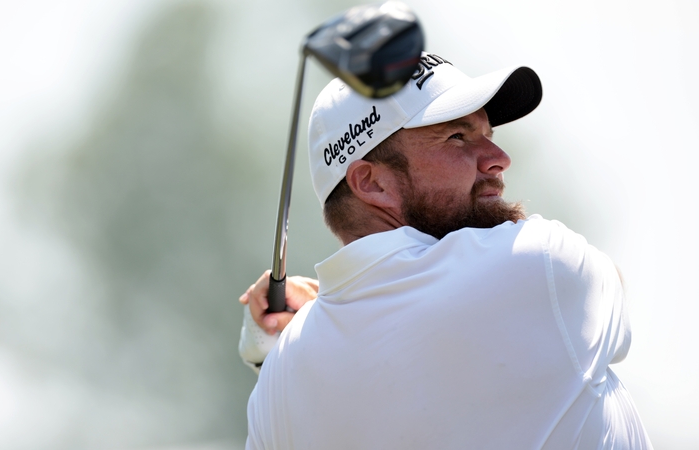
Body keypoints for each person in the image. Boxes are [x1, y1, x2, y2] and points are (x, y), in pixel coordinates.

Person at [237, 51, 652, 449]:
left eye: (487, 134)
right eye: (456, 137)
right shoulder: (537, 264)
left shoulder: (277, 388)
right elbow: (607, 284)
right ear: (372, 183)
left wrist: (278, 348)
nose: (498, 158)